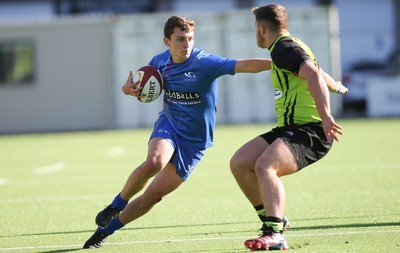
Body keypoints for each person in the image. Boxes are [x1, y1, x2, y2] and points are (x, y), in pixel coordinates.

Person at [83, 15, 273, 249]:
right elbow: (140, 88)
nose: (187, 45)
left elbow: (243, 65)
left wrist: (278, 64)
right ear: (167, 41)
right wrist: (126, 90)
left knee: (154, 196)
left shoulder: (205, 63)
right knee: (155, 162)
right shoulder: (159, 62)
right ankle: (116, 205)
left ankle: (104, 232)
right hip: (169, 125)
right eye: (180, 39)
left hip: (195, 143)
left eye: (190, 39)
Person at [229, 4, 348, 251]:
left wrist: (326, 115)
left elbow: (313, 75)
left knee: (265, 165)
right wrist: (336, 86)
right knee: (240, 162)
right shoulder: (288, 46)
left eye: (255, 27)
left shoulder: (283, 48)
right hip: (290, 128)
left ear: (261, 27)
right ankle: (273, 220)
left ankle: (275, 234)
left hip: (311, 130)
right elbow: (316, 71)